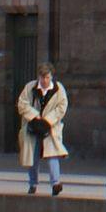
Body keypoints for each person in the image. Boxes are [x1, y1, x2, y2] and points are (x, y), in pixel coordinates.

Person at [17, 63, 68, 196]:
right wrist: (35, 116)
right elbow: (22, 104)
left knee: (52, 155)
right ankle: (33, 183)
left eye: (47, 77)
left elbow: (62, 107)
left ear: (51, 77)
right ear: (38, 77)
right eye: (42, 77)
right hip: (33, 126)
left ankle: (55, 183)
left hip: (50, 128)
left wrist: (48, 120)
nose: (45, 81)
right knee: (32, 157)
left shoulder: (58, 89)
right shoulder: (30, 87)